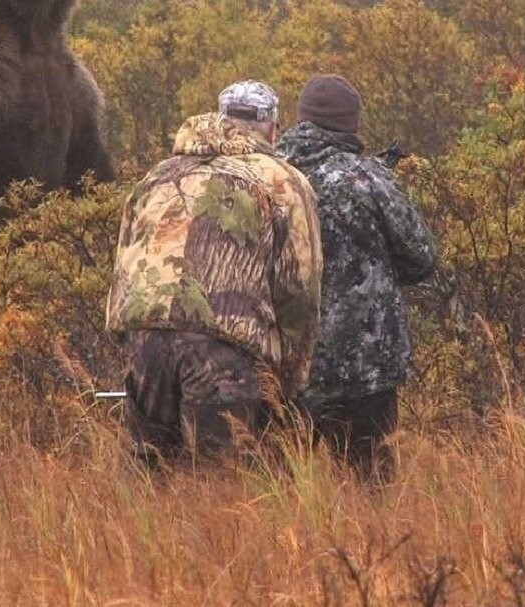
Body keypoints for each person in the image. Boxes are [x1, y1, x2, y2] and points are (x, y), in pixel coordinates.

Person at [106, 80, 323, 468]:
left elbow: (122, 266)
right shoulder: (283, 180)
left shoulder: (156, 176)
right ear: (274, 127)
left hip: (145, 340)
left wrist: (130, 343)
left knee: (149, 477)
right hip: (221, 346)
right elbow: (298, 292)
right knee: (221, 485)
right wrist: (287, 385)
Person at [277, 74, 438, 483]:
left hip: (285, 363)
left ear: (302, 116)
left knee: (280, 490)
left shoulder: (268, 174)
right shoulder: (366, 178)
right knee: (372, 489)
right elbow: (422, 258)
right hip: (365, 366)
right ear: (351, 122)